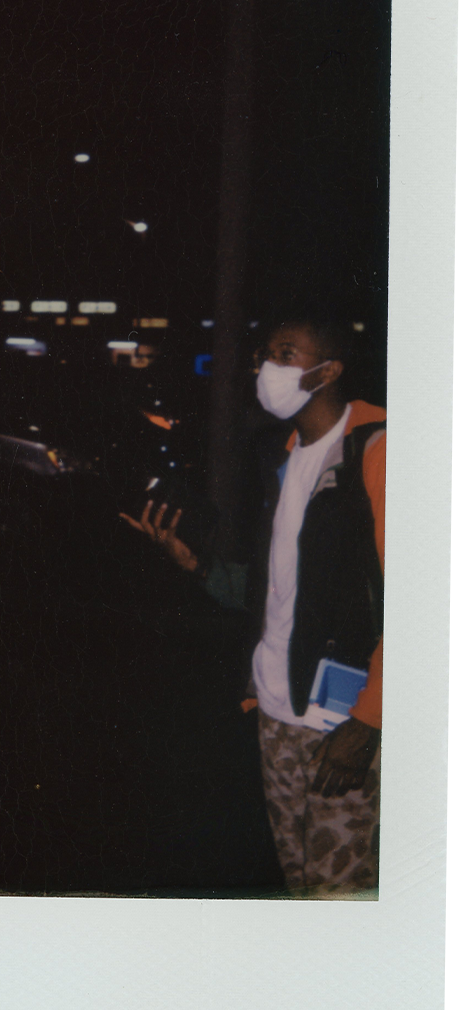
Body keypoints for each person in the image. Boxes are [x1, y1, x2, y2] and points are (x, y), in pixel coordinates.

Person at [123, 315, 385, 895]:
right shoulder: (286, 457)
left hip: (343, 722)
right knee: (301, 888)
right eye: (266, 353)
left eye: (286, 353)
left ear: (330, 370)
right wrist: (197, 566)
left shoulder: (375, 450)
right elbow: (282, 590)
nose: (268, 367)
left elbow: (416, 606)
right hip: (275, 710)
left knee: (343, 899)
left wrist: (369, 721)